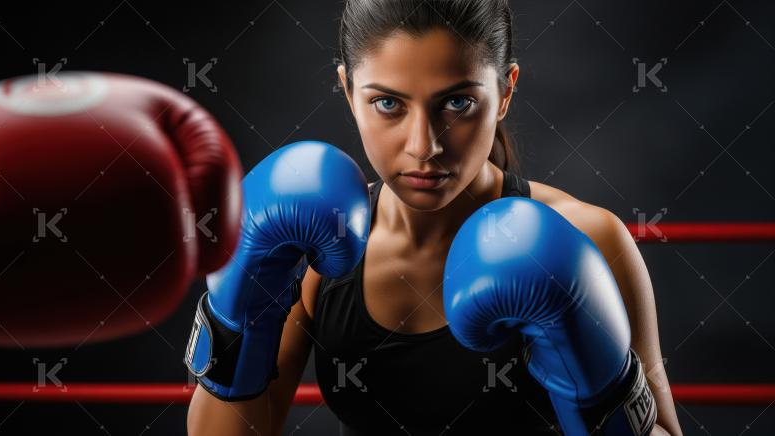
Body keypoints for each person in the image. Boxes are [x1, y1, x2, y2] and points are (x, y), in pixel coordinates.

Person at [186, 1, 682, 434]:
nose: (425, 146)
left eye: (458, 102)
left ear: (505, 91)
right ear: (348, 89)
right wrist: (234, 315)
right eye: (387, 103)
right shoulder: (317, 251)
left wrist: (602, 393)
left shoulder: (592, 238)